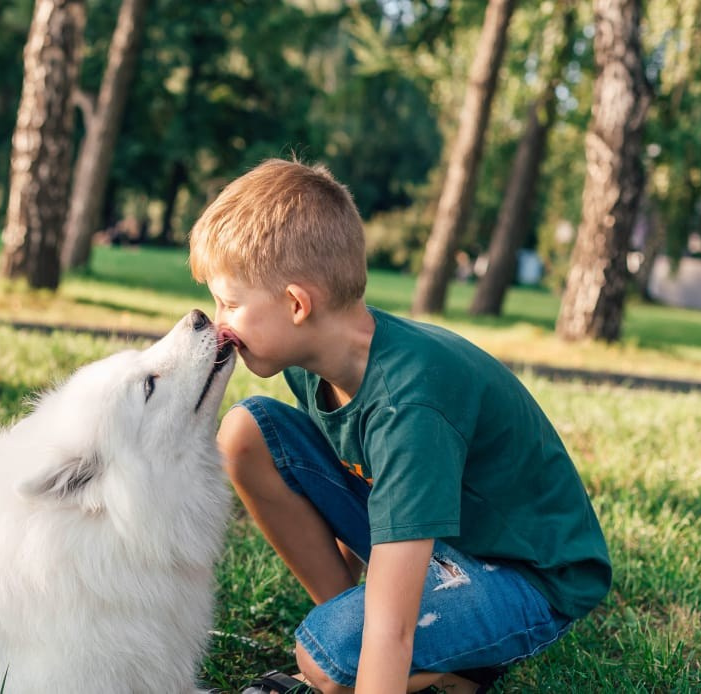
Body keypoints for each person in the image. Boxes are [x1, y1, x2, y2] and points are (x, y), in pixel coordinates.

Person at [188, 158, 611, 694]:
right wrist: (356, 615)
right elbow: (352, 469)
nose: (218, 323)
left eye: (229, 303)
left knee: (325, 660)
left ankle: (453, 671)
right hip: (439, 539)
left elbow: (392, 628)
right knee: (245, 434)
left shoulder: (408, 408)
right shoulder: (311, 361)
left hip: (526, 574)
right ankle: (377, 640)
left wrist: (371, 644)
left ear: (296, 304)